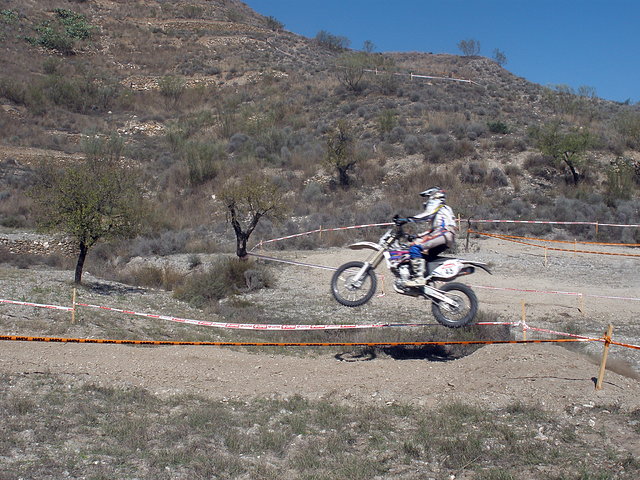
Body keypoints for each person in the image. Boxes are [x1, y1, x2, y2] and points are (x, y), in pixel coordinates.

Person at [403, 187, 457, 287]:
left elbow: (426, 216)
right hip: (445, 236)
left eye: (427, 198)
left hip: (443, 233)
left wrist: (406, 220)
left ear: (434, 196)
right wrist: (417, 236)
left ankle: (419, 279)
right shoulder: (445, 208)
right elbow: (433, 230)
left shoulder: (437, 204)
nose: (426, 201)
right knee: (427, 257)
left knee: (415, 247)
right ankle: (428, 280)